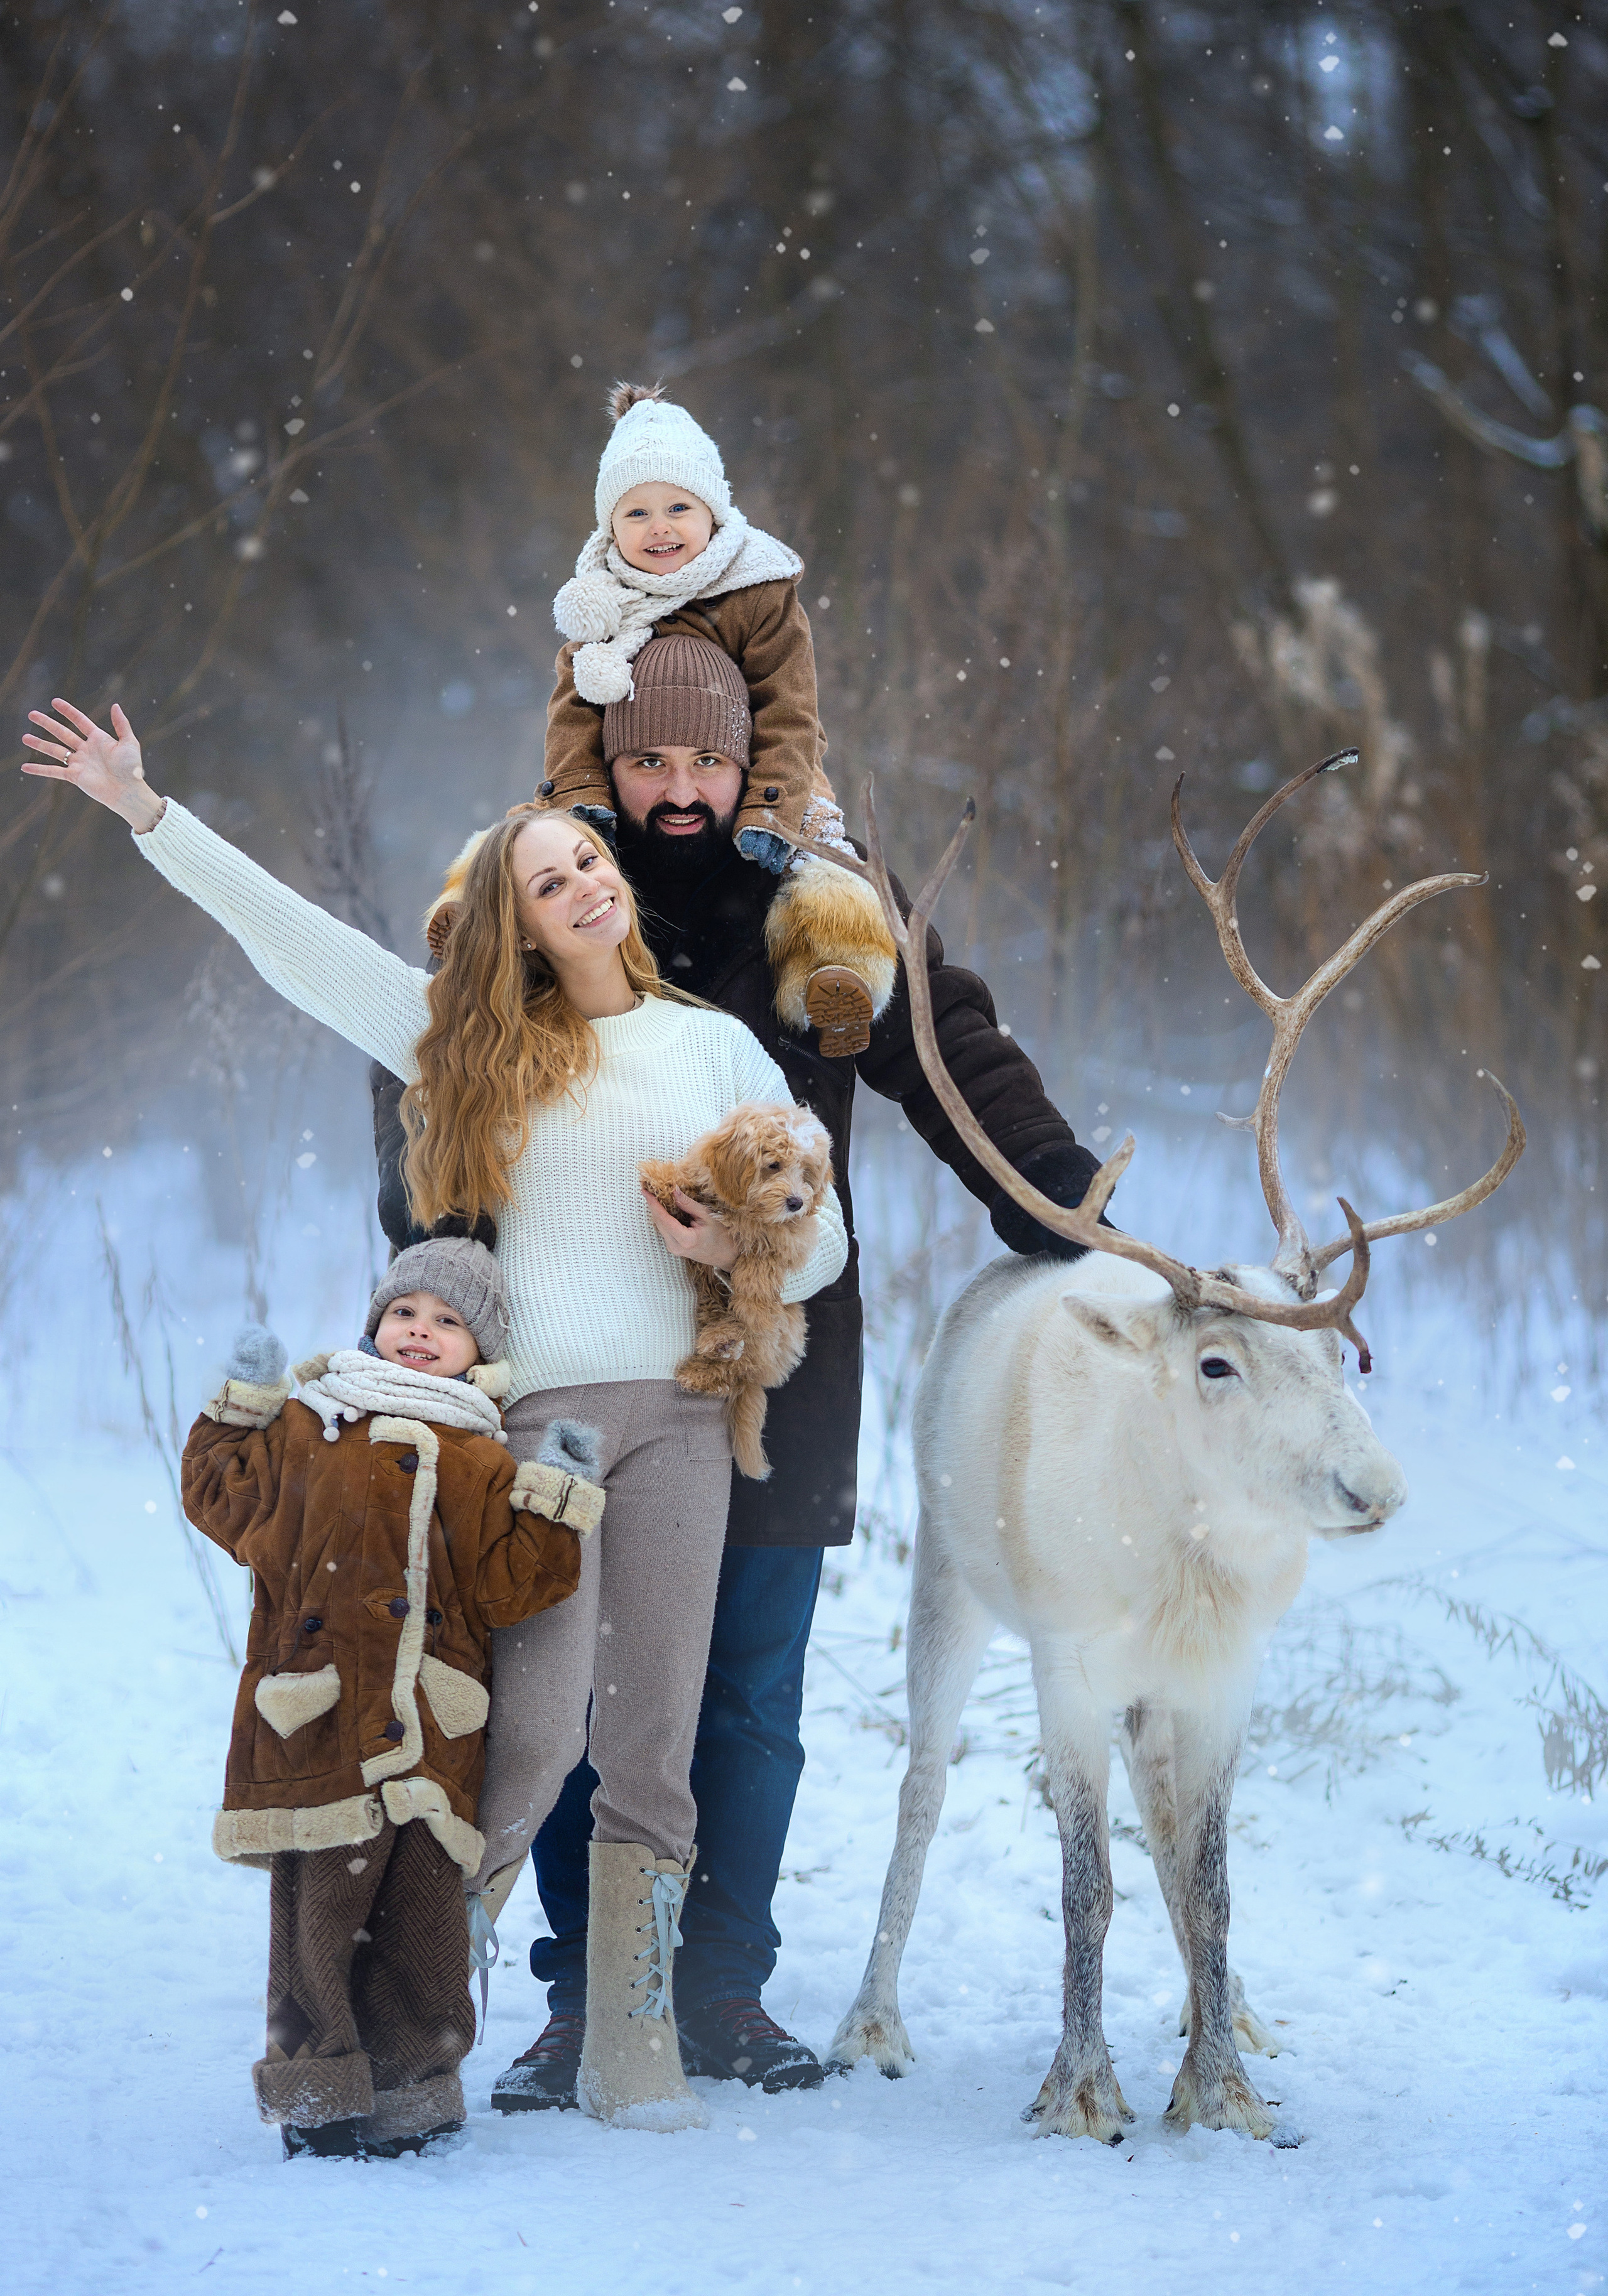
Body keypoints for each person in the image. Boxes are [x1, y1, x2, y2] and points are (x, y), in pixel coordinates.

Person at [21, 695, 848, 2134]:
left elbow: (819, 1233)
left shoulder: (709, 1048)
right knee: (525, 1732)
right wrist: (150, 815)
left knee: (652, 1736)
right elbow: (294, 944)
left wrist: (737, 1248)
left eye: (583, 863)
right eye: (544, 881)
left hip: (683, 1417)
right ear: (512, 924)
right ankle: (412, 1998)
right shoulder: (474, 1044)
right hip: (536, 1432)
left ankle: (633, 2047)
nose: (581, 885)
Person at [371, 634, 1109, 2107]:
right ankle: (579, 2000)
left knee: (748, 1696)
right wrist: (441, 1289)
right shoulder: (534, 880)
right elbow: (424, 1081)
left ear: (748, 755)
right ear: (601, 757)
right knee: (566, 1692)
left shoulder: (818, 899)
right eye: (646, 757)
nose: (677, 786)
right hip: (566, 1379)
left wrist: (1055, 1197)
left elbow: (945, 1047)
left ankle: (716, 1986)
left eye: (704, 758)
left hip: (776, 1375)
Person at [178, 1238, 597, 2160]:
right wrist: (240, 1407)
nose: (420, 1330)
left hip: (428, 1732)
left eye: (448, 1322)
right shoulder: (310, 1424)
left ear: (480, 1352)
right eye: (405, 1311)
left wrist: (557, 1494)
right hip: (321, 1719)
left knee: (423, 1923)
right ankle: (318, 2096)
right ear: (375, 1324)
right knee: (319, 1920)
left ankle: (414, 2092)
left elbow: (511, 1587)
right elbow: (222, 1500)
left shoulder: (481, 1457)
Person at [544, 379, 898, 1056]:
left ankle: (835, 975)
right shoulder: (601, 605)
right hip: (627, 791)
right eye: (637, 513)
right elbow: (572, 723)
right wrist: (580, 803)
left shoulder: (755, 591)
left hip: (771, 771)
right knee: (525, 846)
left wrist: (771, 809)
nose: (659, 527)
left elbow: (789, 714)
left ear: (714, 513)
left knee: (824, 865)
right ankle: (469, 918)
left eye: (678, 507)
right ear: (610, 528)